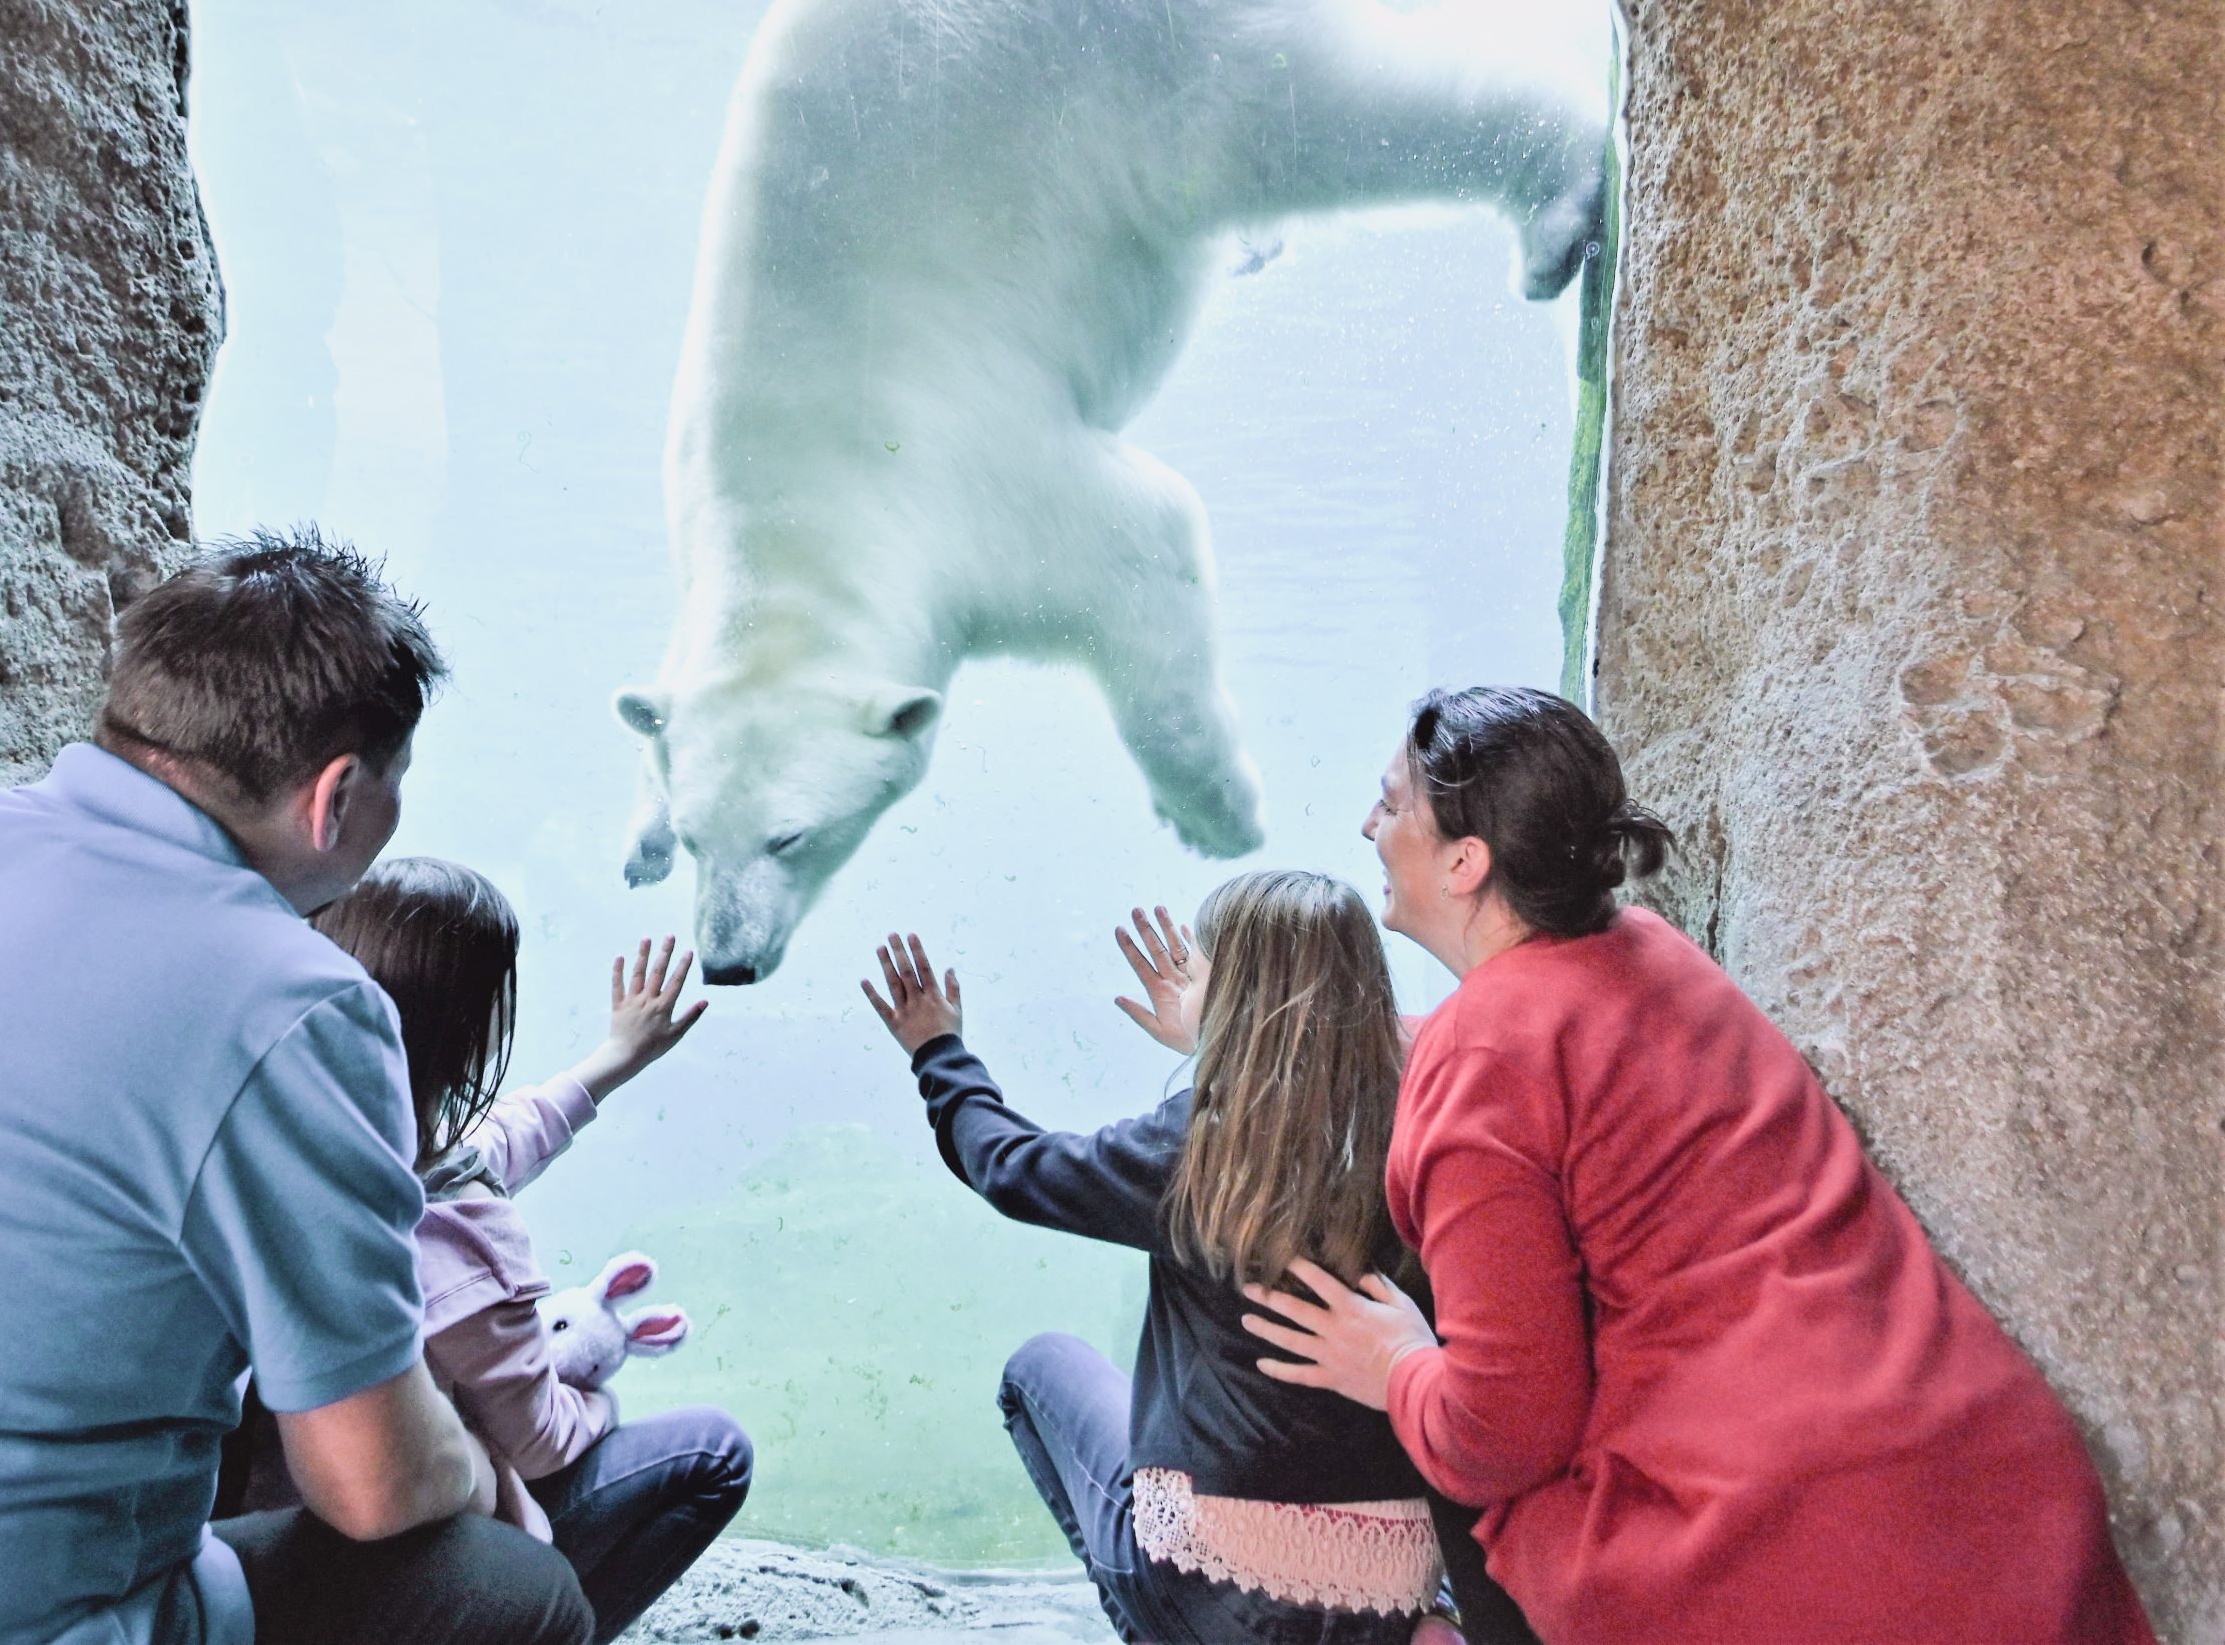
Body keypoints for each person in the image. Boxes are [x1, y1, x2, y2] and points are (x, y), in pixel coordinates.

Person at [0, 531, 591, 1645]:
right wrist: (487, 1482)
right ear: (337, 796)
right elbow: (374, 1485)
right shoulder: (285, 1002)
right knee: (511, 1592)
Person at [1241, 685, 2157, 1645]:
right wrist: (1278, 1036)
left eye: (1390, 806)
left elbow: (1504, 1432)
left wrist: (1392, 1368)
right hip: (1989, 1482)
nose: (1367, 825)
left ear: (1467, 862)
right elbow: (1532, 1052)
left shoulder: (1484, 1062)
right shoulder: (1648, 952)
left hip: (1795, 1551)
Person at [860, 879, 1512, 1645]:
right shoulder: (1425, 1124)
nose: (1184, 988)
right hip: (1395, 1586)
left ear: (1237, 1000)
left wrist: (939, 1052)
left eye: (1197, 975)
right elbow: (1311, 1067)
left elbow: (1010, 1166)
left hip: (1224, 1588)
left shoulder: (1202, 1147)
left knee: (1036, 1371)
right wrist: (1220, 1039)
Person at [295, 859, 753, 1643]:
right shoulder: (461, 1240)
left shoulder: (310, 1147)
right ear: (471, 1032)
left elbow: (493, 1142)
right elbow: (540, 1442)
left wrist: (615, 1058)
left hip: (295, 1531)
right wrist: (600, 1396)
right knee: (716, 1451)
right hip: (420, 1547)